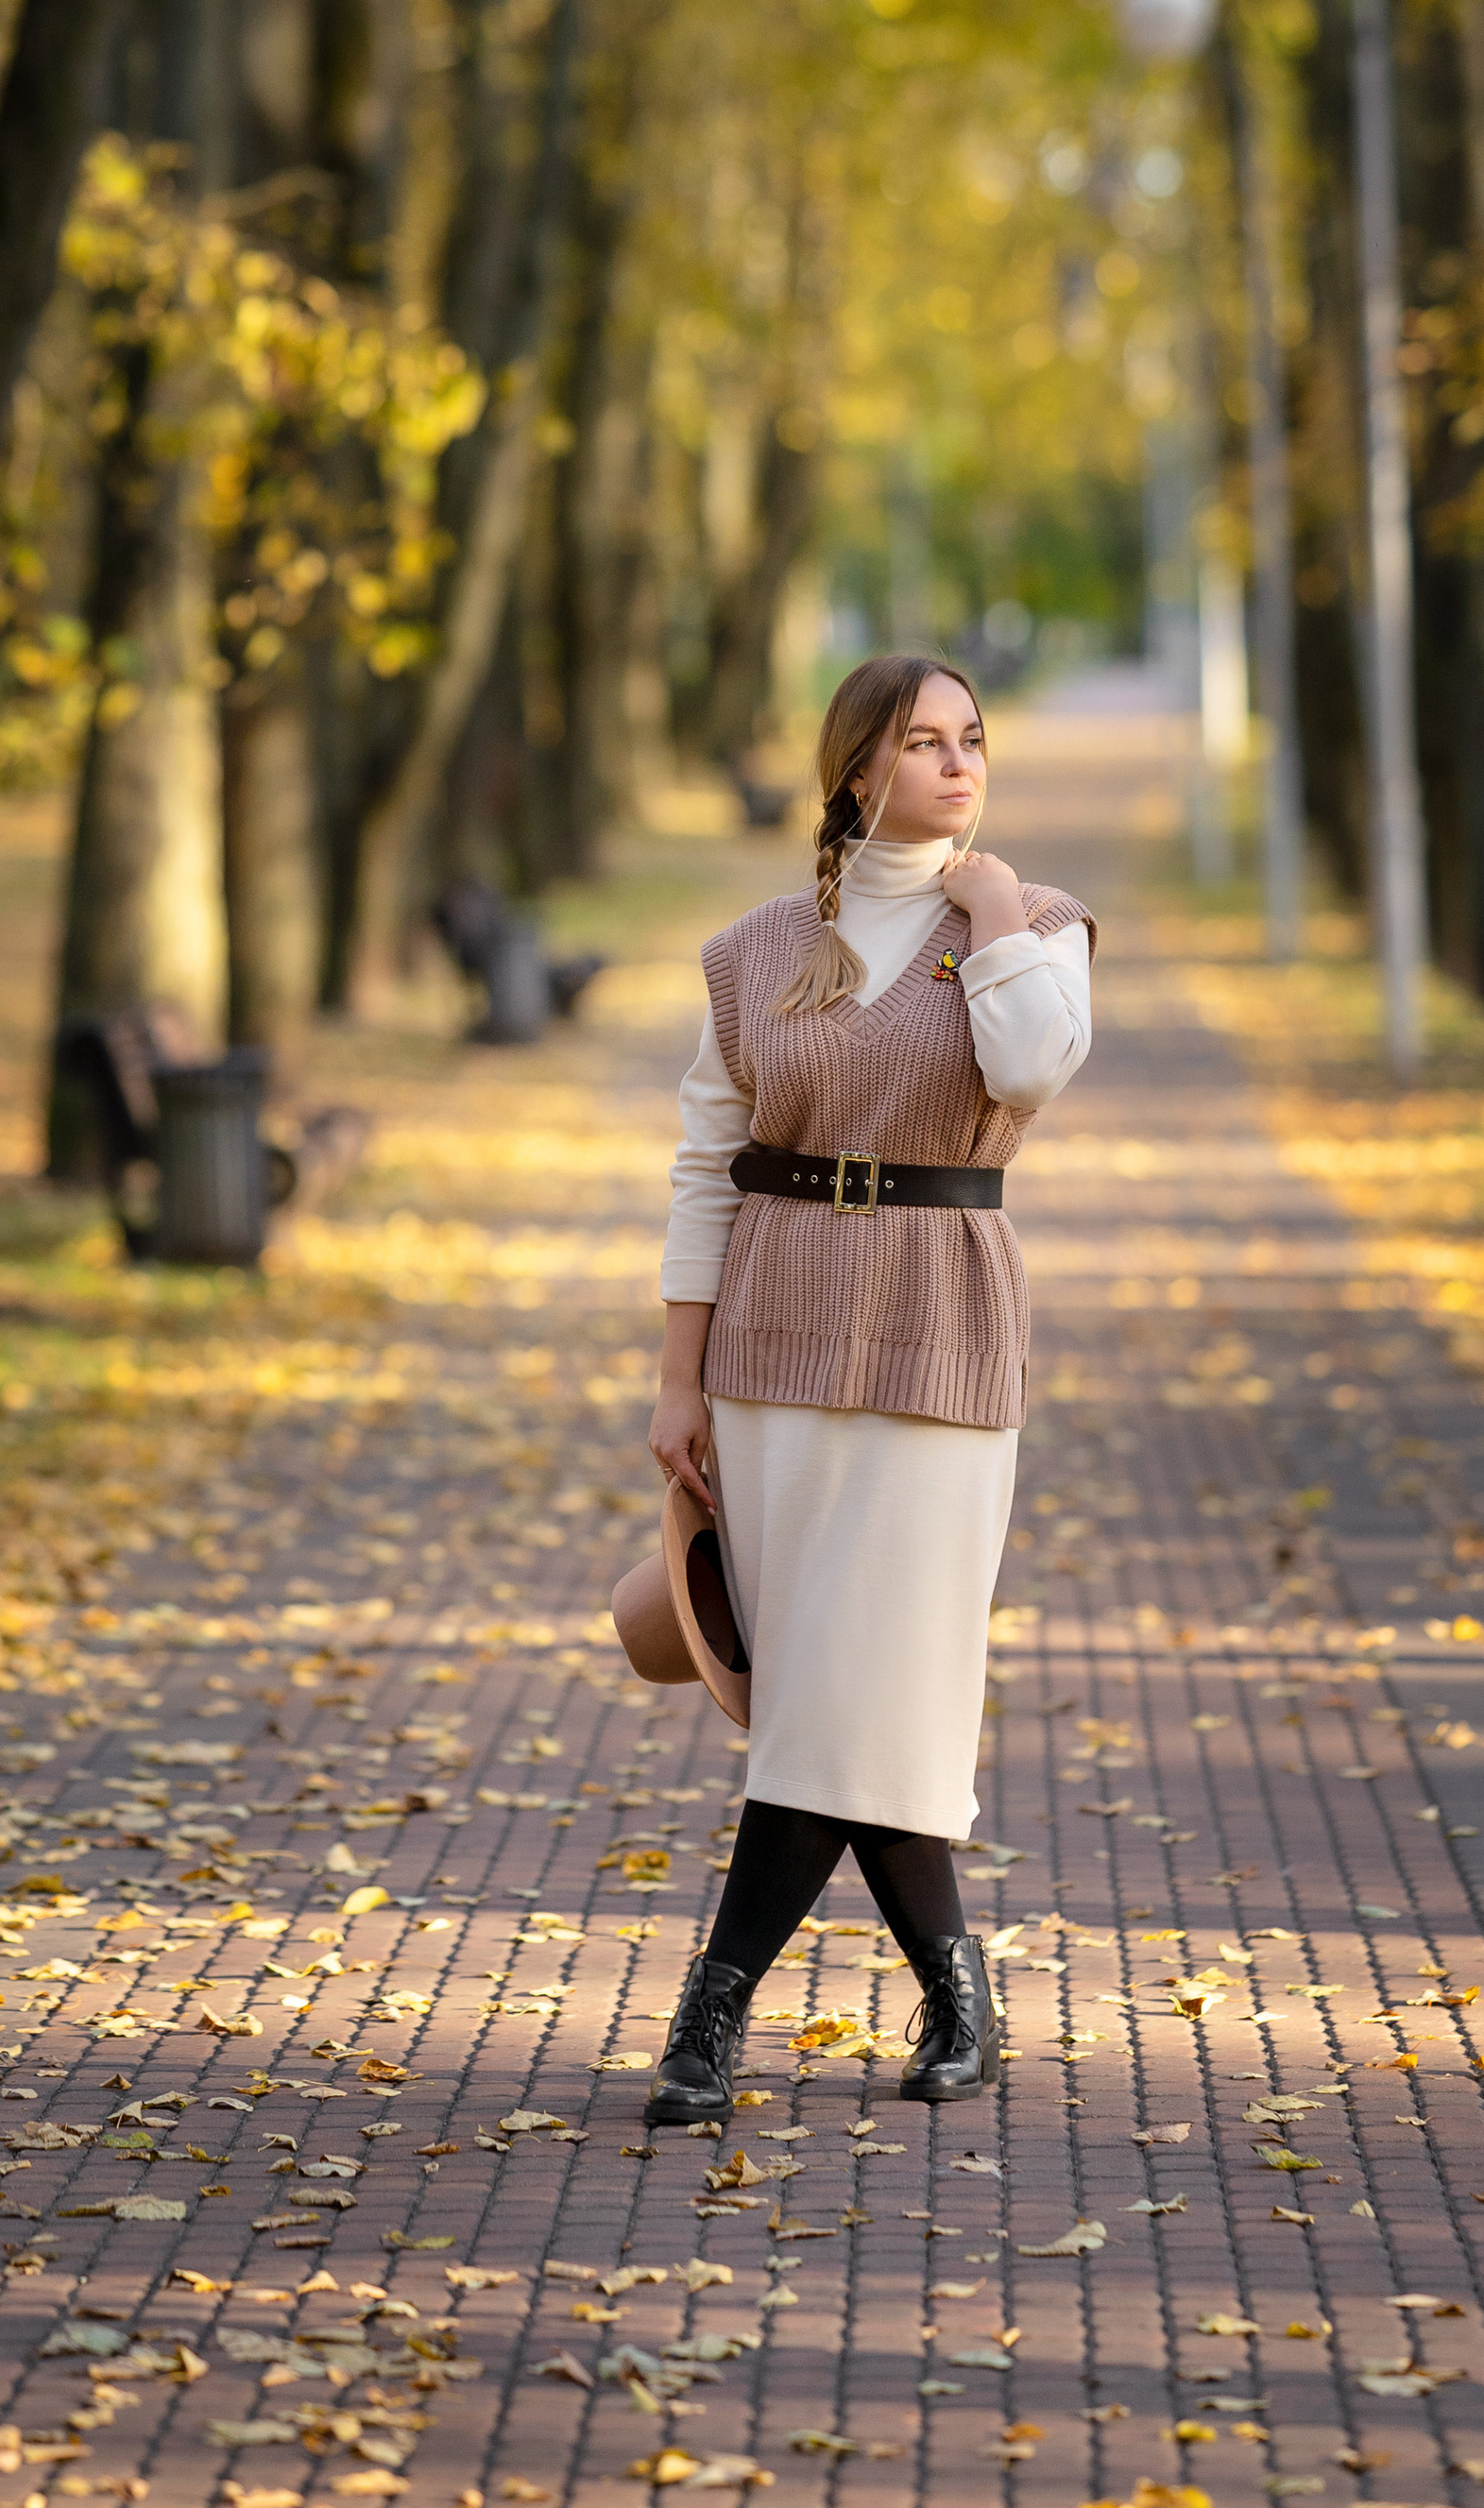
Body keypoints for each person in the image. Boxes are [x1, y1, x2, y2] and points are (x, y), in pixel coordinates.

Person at [644, 650, 1094, 2121]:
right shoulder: (754, 949)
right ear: (855, 772)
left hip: (940, 1319)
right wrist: (677, 1382)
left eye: (973, 740)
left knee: (873, 1677)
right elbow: (707, 1169)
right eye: (922, 742)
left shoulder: (1033, 926)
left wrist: (992, 909)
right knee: (836, 1686)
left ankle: (709, 2015)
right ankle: (957, 2004)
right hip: (774, 1324)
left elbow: (1031, 1072)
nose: (959, 765)